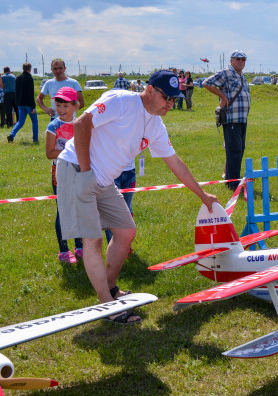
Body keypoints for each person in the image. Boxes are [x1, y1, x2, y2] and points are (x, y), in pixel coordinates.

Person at [56, 71, 219, 323]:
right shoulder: (121, 100)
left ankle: (110, 288)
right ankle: (108, 307)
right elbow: (80, 124)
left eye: (175, 100)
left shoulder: (156, 125)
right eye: (167, 97)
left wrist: (203, 195)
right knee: (93, 240)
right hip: (77, 169)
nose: (170, 104)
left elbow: (175, 162)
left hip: (102, 179)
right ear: (150, 90)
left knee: (125, 231)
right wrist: (87, 172)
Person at [45, 87, 84, 264]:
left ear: (75, 106)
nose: (61, 109)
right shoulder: (54, 126)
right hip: (60, 171)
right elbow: (50, 153)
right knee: (63, 209)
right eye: (58, 105)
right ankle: (63, 250)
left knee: (79, 208)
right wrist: (71, 153)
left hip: (80, 170)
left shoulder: (82, 124)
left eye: (65, 106)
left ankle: (80, 246)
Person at [203, 50, 251, 191]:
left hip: (242, 119)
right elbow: (207, 83)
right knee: (234, 150)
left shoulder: (242, 76)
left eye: (243, 59)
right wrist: (222, 97)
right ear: (231, 61)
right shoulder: (226, 73)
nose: (241, 61)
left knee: (239, 150)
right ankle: (233, 183)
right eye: (238, 59)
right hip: (231, 119)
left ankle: (231, 179)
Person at [8, 62, 39, 143]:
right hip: (29, 104)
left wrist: (17, 102)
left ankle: (11, 135)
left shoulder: (18, 78)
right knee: (34, 121)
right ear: (30, 69)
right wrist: (33, 106)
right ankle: (35, 139)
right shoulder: (29, 78)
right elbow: (31, 93)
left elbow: (16, 91)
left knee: (20, 122)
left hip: (20, 103)